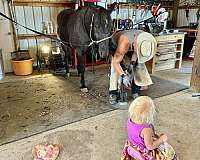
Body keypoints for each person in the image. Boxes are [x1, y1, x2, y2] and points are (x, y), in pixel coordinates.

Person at [109, 29, 157, 105]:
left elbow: (136, 52)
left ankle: (135, 91)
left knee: (138, 65)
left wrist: (132, 64)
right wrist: (123, 75)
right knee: (115, 69)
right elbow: (116, 62)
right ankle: (113, 93)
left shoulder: (147, 40)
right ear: (135, 43)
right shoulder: (124, 43)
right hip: (115, 45)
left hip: (132, 45)